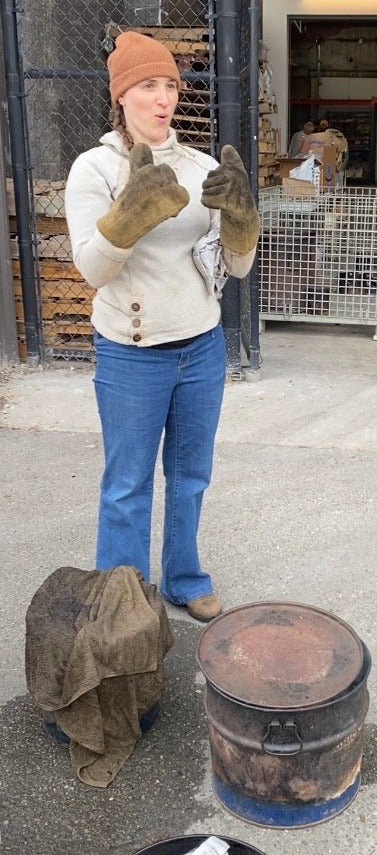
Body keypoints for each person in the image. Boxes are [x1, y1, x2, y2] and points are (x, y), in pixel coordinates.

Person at [64, 31, 259, 622]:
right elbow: (92, 269)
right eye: (147, 86)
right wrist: (124, 220)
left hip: (200, 346)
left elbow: (239, 266)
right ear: (120, 96)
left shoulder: (202, 169)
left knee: (191, 474)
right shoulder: (94, 169)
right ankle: (125, 602)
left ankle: (183, 577)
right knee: (127, 485)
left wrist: (244, 220)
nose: (162, 98)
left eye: (170, 85)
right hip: (132, 352)